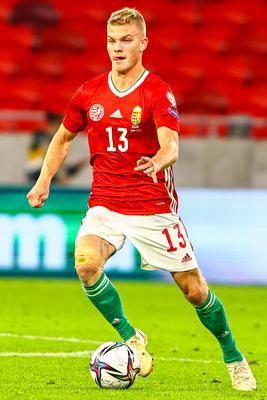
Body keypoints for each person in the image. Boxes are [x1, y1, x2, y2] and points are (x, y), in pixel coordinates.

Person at [27, 7, 256, 391]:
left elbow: (172, 145)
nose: (118, 48)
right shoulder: (90, 92)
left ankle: (232, 353)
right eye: (112, 41)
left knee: (195, 291)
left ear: (143, 43)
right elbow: (64, 138)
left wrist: (160, 159)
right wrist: (43, 180)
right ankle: (134, 337)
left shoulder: (156, 91)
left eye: (127, 40)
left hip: (153, 209)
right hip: (105, 205)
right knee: (85, 264)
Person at [25, 111, 86, 184]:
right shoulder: (40, 136)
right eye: (57, 126)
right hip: (36, 174)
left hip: (48, 177)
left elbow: (59, 166)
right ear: (50, 125)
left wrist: (74, 168)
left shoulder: (52, 139)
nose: (58, 129)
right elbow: (48, 160)